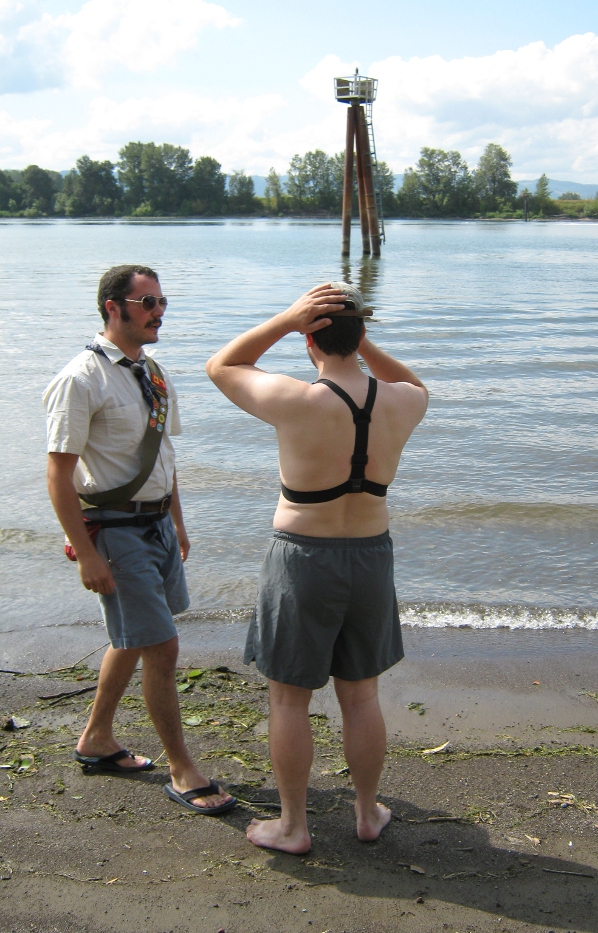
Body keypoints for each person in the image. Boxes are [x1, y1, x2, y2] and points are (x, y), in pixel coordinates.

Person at [206, 282, 428, 852]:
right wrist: (359, 343)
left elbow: (223, 364)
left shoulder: (295, 399)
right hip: (372, 555)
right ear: (360, 335)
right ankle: (365, 812)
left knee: (289, 699)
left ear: (309, 338)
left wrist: (287, 318)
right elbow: (414, 381)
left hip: (303, 559)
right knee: (361, 696)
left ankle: (294, 826)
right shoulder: (404, 402)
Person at [43, 264, 234, 815]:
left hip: (155, 527)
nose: (158, 312)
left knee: (133, 637)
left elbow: (164, 459)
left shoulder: (153, 372)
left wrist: (177, 522)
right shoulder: (81, 378)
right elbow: (59, 474)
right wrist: (83, 550)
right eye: (147, 302)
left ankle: (96, 739)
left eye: (161, 301)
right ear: (113, 307)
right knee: (161, 645)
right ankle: (182, 769)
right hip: (115, 532)